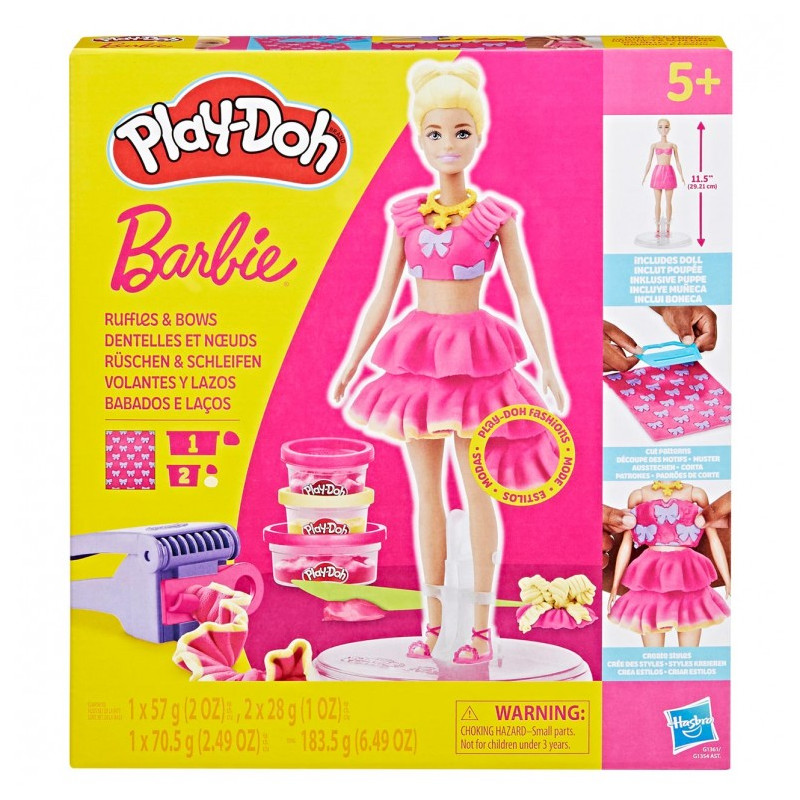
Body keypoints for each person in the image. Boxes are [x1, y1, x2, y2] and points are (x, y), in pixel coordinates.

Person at [333, 58, 565, 664]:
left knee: (478, 492)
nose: (448, 145)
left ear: (479, 135)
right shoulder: (406, 215)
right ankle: (433, 623)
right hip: (418, 365)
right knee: (426, 496)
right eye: (434, 133)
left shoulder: (495, 217)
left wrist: (549, 367)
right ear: (419, 138)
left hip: (477, 364)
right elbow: (382, 295)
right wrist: (351, 364)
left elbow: (526, 296)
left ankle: (482, 627)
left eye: (461, 132)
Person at [642, 118, 685, 237]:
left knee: (668, 202)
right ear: (657, 128)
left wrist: (682, 175)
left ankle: (668, 228)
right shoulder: (654, 145)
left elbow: (678, 162)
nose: (663, 129)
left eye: (666, 127)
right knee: (657, 202)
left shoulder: (673, 145)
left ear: (669, 128)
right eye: (660, 127)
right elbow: (649, 161)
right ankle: (657, 227)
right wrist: (645, 175)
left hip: (669, 173)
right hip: (658, 174)